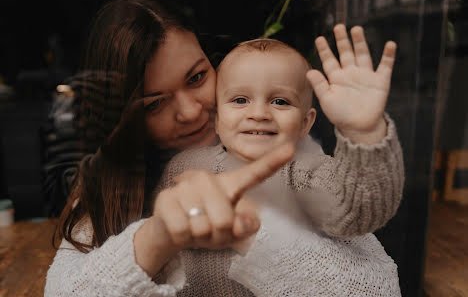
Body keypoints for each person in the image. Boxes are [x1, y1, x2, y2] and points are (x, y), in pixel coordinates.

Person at [44, 0, 402, 297]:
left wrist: (364, 133)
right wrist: (158, 237)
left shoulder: (297, 162)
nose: (190, 111)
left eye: (197, 77)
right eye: (154, 103)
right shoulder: (112, 187)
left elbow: (378, 287)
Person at [153, 36, 404, 296]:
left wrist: (363, 132)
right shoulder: (183, 167)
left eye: (280, 102)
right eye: (240, 100)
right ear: (217, 119)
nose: (259, 113)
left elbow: (358, 208)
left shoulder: (304, 173)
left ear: (305, 124)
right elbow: (157, 249)